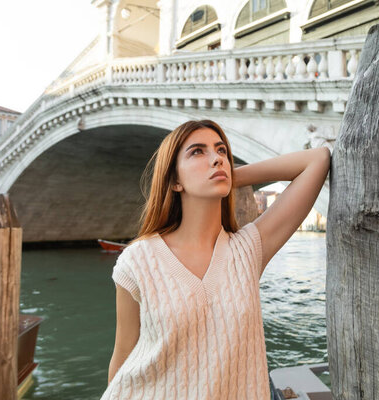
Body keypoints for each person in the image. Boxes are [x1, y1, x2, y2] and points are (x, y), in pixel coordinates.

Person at [101, 120, 330, 399]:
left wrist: (231, 176)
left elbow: (317, 159)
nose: (217, 158)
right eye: (198, 152)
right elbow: (123, 353)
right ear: (174, 180)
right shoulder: (137, 260)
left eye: (221, 151)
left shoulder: (248, 250)